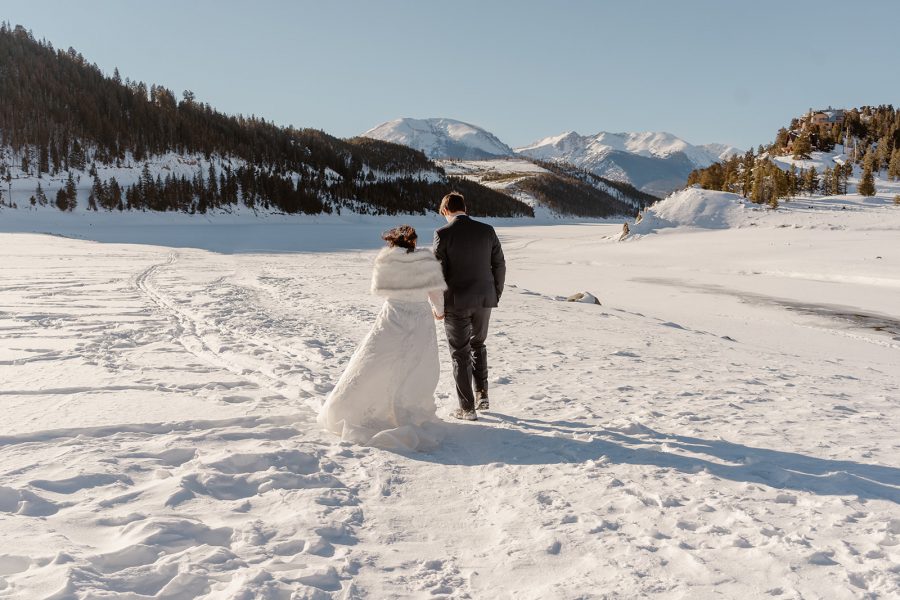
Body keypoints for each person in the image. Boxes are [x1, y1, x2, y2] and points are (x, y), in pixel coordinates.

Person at [317, 225, 447, 450]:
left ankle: (357, 405)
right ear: (413, 242)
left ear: (392, 242)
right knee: (417, 364)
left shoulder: (385, 261)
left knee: (378, 359)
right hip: (419, 318)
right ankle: (407, 406)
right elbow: (435, 292)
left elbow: (380, 289)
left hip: (394, 316)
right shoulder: (426, 260)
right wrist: (439, 311)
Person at [433, 192, 506, 421]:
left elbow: (437, 274)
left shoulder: (442, 234)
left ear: (445, 211)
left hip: (456, 302)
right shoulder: (487, 231)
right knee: (478, 344)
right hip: (484, 300)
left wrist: (438, 307)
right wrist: (495, 293)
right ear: (465, 208)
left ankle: (467, 408)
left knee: (459, 354)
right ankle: (482, 395)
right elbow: (500, 265)